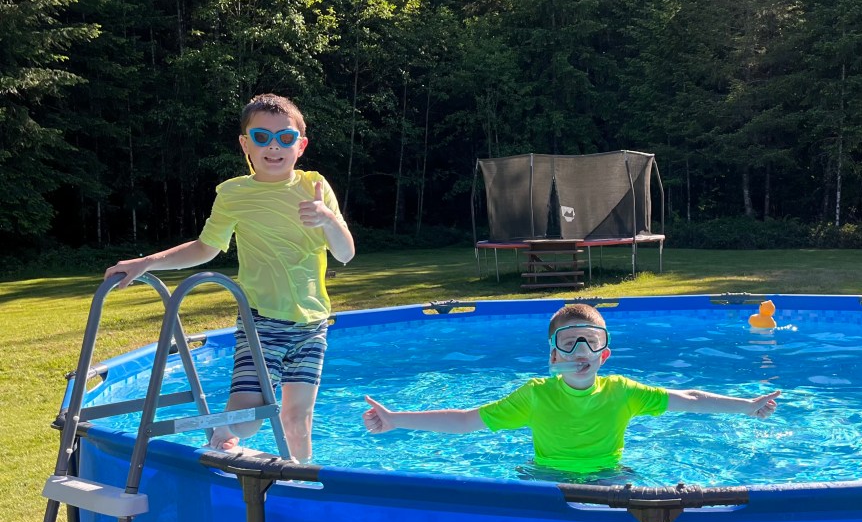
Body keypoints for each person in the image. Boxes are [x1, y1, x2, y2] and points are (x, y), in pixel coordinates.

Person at [105, 93, 355, 461]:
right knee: (249, 420)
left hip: (312, 323)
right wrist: (147, 262)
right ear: (245, 144)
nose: (273, 146)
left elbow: (345, 253)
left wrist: (328, 219)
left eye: (285, 137)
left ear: (300, 146)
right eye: (261, 137)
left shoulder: (314, 187)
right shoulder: (234, 194)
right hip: (261, 321)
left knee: (297, 418)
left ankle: (301, 481)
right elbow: (205, 248)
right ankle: (219, 433)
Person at [363, 302, 780, 476]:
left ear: (605, 355)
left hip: (608, 477)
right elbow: (466, 420)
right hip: (546, 477)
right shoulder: (535, 394)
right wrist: (396, 419)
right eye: (569, 342)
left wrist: (747, 406)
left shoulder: (623, 391)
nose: (580, 351)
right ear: (553, 355)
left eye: (591, 343)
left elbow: (689, 399)